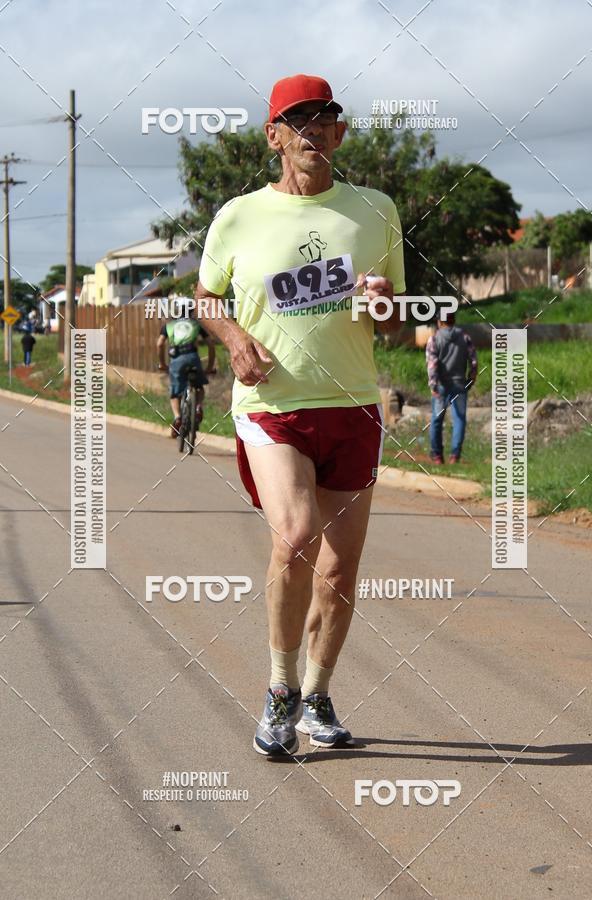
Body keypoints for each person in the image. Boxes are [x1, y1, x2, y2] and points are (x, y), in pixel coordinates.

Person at [195, 73, 406, 756]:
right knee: (296, 536)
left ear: (340, 134)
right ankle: (280, 689)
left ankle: (317, 694)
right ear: (275, 137)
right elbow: (206, 296)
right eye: (299, 121)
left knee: (341, 571)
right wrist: (233, 340)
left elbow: (394, 318)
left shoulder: (375, 210)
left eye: (326, 121)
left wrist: (384, 307)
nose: (314, 133)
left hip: (351, 406)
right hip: (273, 406)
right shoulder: (238, 216)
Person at [426, 310, 478, 464]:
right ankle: (455, 456)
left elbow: (433, 364)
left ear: (440, 322)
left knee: (436, 419)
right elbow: (473, 360)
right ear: (453, 320)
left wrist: (433, 384)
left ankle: (437, 456)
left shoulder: (434, 339)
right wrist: (471, 377)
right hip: (459, 384)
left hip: (441, 385)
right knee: (459, 419)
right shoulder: (465, 337)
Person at [157, 305, 216, 437]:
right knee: (199, 388)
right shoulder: (196, 325)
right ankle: (198, 406)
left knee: (175, 393)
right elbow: (211, 344)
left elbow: (160, 344)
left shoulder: (168, 326)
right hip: (193, 358)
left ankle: (178, 417)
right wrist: (210, 367)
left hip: (176, 360)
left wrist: (162, 364)